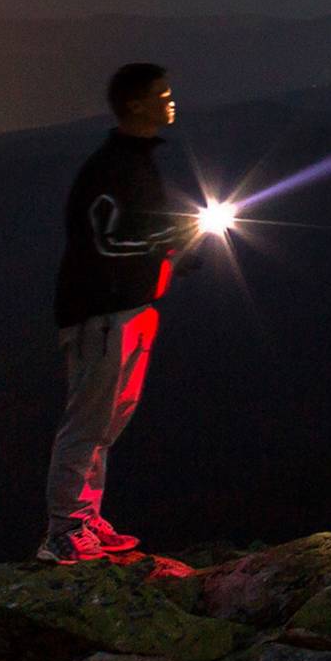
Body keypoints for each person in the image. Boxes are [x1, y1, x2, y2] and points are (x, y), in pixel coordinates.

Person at [38, 62, 193, 564]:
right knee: (86, 422)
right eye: (161, 94)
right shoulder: (112, 168)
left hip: (130, 309)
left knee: (108, 422)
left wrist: (174, 253)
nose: (171, 101)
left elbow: (136, 235)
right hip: (100, 315)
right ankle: (63, 531)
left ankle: (86, 520)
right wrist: (164, 242)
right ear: (135, 104)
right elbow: (103, 239)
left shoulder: (136, 163)